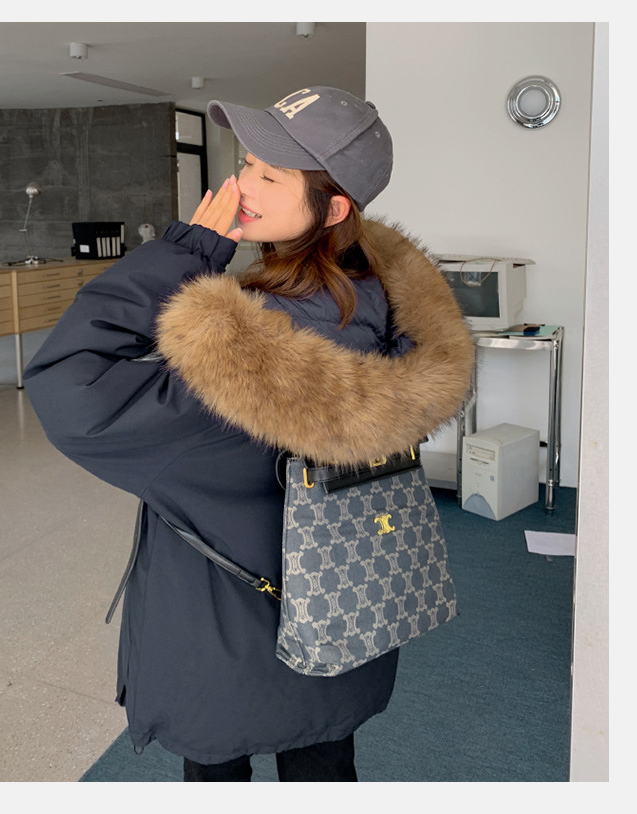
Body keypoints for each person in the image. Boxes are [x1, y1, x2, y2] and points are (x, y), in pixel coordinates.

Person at [24, 86, 474, 782]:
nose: (240, 186)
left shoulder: (241, 358)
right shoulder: (382, 304)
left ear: (334, 208)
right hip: (343, 624)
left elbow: (68, 386)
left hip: (225, 644)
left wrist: (185, 253)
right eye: (247, 163)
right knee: (324, 763)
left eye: (271, 174)